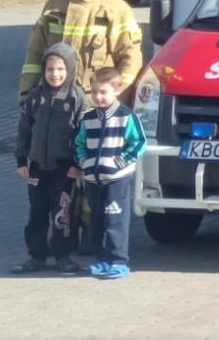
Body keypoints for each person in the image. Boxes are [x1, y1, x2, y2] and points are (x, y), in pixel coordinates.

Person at [20, 0, 143, 102]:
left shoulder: (116, 9)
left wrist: (115, 97)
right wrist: (26, 93)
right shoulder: (54, 6)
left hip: (95, 102)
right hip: (54, 100)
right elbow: (35, 54)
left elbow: (131, 58)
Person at [13, 43, 84, 274]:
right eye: (50, 69)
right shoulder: (35, 97)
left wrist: (77, 164)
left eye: (61, 69)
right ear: (43, 70)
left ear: (70, 69)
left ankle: (63, 255)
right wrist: (22, 160)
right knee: (37, 213)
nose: (55, 74)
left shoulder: (77, 98)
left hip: (64, 169)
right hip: (37, 169)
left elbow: (83, 136)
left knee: (62, 213)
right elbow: (24, 130)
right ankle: (37, 256)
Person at [73, 67, 145, 280]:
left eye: (103, 92)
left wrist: (120, 161)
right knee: (96, 220)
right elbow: (79, 143)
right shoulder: (88, 119)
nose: (98, 97)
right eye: (94, 92)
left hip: (116, 179)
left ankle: (119, 260)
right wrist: (84, 162)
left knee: (115, 220)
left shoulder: (126, 117)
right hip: (92, 179)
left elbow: (139, 143)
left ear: (117, 91)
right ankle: (101, 259)